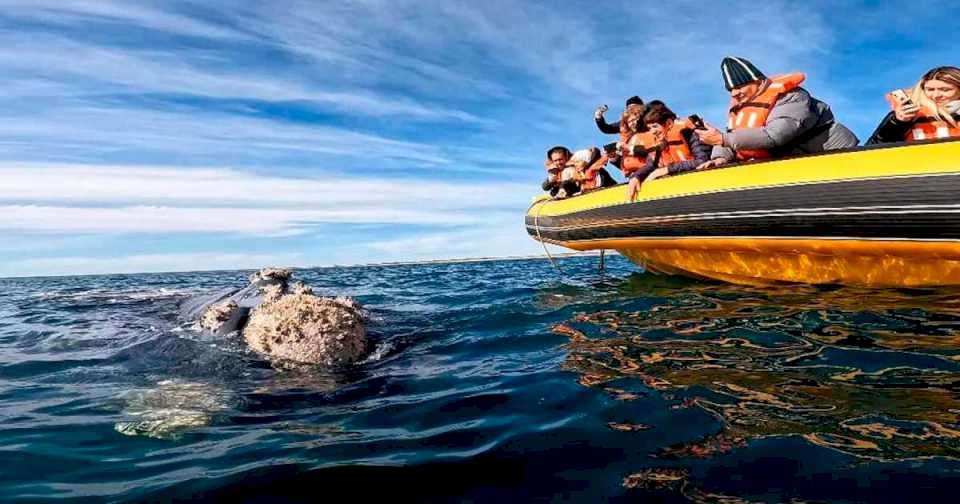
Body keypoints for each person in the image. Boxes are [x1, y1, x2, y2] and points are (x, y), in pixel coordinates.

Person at [696, 56, 858, 169]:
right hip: (796, 161)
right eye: (730, 89)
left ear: (757, 81)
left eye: (738, 87)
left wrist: (722, 139)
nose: (734, 94)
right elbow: (734, 137)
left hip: (832, 153)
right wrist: (720, 156)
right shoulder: (741, 108)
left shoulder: (791, 96)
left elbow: (775, 135)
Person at [626, 102, 712, 200]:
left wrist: (666, 169)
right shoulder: (658, 141)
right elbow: (651, 165)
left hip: (701, 186)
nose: (652, 132)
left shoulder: (688, 133)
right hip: (680, 190)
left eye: (655, 126)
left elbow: (703, 160)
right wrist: (636, 176)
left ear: (669, 123)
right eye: (650, 128)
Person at [867, 66, 960, 144]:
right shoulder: (906, 113)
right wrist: (898, 122)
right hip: (919, 164)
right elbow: (873, 148)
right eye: (930, 90)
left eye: (945, 90)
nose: (936, 95)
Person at [541, 146, 615, 198]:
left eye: (560, 159)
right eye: (555, 160)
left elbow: (596, 151)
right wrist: (550, 181)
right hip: (579, 188)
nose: (558, 163)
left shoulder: (578, 156)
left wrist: (586, 164)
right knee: (554, 191)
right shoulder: (555, 171)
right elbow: (545, 187)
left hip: (600, 180)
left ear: (566, 156)